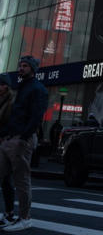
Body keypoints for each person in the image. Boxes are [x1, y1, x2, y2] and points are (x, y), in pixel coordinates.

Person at [0, 56, 48, 231]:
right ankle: (14, 215)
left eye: (25, 66)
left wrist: (24, 137)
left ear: (33, 69)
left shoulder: (37, 89)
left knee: (21, 180)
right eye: (20, 65)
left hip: (22, 140)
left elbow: (36, 117)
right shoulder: (22, 88)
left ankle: (25, 218)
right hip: (9, 139)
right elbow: (15, 117)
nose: (21, 68)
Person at [0, 74, 16, 228]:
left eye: (0, 84)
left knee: (6, 180)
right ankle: (9, 212)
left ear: (6, 86)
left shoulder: (11, 102)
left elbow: (10, 123)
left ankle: (10, 212)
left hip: (5, 142)